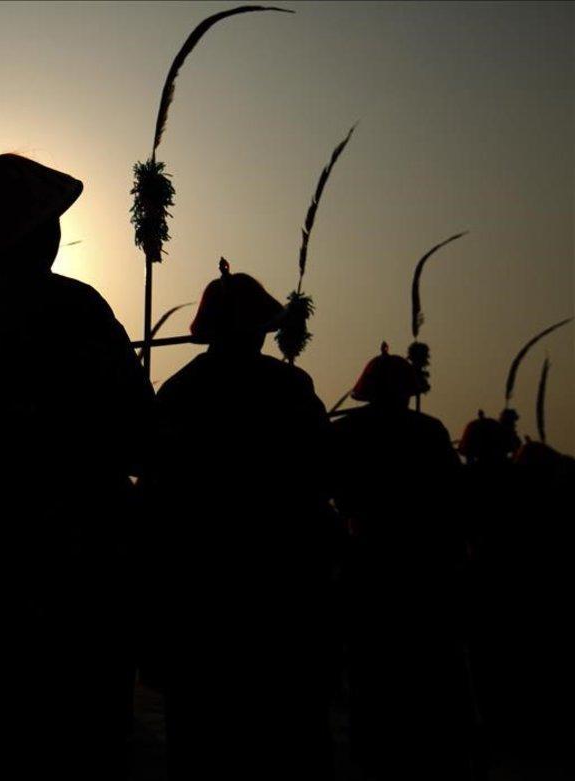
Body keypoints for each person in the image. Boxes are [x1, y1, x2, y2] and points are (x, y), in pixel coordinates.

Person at [0, 141, 152, 779]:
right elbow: (138, 431)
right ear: (29, 232)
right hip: (73, 558)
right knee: (78, 739)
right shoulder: (75, 308)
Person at [144, 260, 334, 780]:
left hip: (199, 597)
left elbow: (157, 502)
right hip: (277, 593)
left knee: (202, 745)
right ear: (257, 330)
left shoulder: (177, 393)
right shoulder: (291, 388)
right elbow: (323, 474)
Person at [332, 343, 474, 779]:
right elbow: (455, 499)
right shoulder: (430, 433)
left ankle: (376, 750)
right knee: (421, 669)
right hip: (420, 565)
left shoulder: (346, 432)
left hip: (369, 563)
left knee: (371, 670)